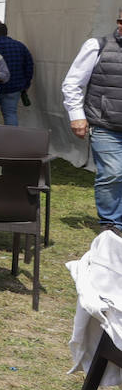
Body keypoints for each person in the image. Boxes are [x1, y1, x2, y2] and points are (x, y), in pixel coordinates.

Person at [62, 14, 122, 233]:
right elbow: (72, 83)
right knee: (113, 172)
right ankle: (111, 223)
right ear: (119, 22)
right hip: (105, 123)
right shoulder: (97, 46)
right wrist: (76, 115)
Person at [0, 19, 33, 126]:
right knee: (10, 114)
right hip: (14, 86)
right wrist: (26, 84)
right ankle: (12, 139)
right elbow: (29, 65)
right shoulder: (20, 46)